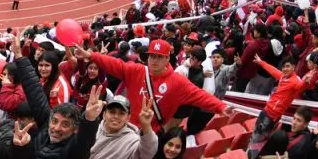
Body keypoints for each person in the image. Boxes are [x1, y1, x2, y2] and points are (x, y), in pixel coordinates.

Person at [76, 39, 227, 132]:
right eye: (152, 56)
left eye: (159, 57)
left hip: (150, 133)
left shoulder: (178, 82)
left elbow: (200, 96)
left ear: (167, 59)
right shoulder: (136, 70)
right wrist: (91, 56)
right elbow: (115, 64)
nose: (154, 61)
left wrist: (221, 107)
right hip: (125, 127)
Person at [247, 55, 306, 159]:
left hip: (271, 116)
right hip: (267, 112)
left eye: (287, 66)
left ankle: (250, 158)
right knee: (258, 136)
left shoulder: (296, 81)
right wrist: (261, 62)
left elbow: (302, 87)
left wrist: (307, 82)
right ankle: (251, 156)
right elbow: (273, 70)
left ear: (293, 67)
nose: (285, 69)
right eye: (283, 67)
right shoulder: (284, 76)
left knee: (258, 138)